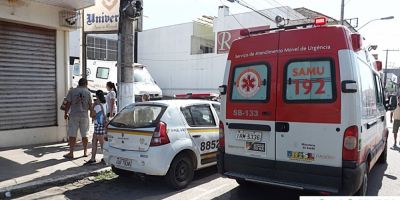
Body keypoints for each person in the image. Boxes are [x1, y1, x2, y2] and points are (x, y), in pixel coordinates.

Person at [63, 78, 93, 159]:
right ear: (86, 83)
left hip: (74, 115)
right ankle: (85, 152)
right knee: (85, 134)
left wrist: (65, 113)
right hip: (84, 115)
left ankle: (71, 152)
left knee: (72, 134)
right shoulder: (88, 92)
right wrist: (92, 115)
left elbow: (68, 103)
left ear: (79, 83)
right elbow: (90, 105)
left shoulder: (72, 91)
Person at [85, 90, 107, 165]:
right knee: (94, 141)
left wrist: (93, 106)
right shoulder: (104, 103)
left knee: (101, 143)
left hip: (99, 125)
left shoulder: (97, 105)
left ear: (97, 96)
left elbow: (92, 115)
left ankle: (105, 158)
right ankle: (93, 158)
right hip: (101, 125)